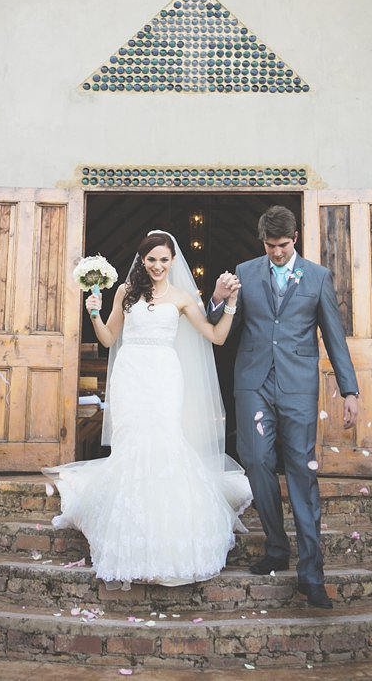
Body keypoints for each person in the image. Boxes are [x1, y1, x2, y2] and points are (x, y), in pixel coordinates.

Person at [44, 231, 252, 588]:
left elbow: (216, 337)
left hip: (164, 375)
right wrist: (93, 314)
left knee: (164, 439)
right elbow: (109, 339)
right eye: (151, 259)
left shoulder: (183, 298)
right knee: (132, 443)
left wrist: (230, 303)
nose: (157, 266)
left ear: (173, 262)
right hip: (130, 373)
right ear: (142, 259)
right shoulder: (125, 293)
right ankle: (127, 536)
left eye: (164, 260)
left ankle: (168, 535)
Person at [208, 205, 359, 609]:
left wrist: (350, 391)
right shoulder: (244, 272)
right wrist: (218, 300)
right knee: (255, 459)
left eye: (284, 245)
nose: (277, 252)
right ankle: (276, 546)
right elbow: (218, 329)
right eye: (271, 246)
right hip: (253, 383)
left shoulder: (318, 277)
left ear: (296, 239)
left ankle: (312, 574)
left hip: (297, 388)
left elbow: (334, 336)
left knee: (301, 472)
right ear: (263, 242)